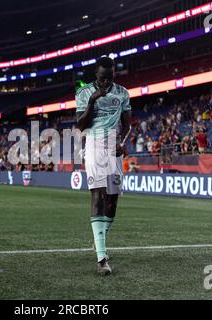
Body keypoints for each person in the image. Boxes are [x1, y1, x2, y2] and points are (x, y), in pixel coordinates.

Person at [76, 56, 132, 276]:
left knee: (112, 200)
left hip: (113, 147)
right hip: (94, 145)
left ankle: (99, 238)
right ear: (96, 75)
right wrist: (92, 101)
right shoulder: (84, 93)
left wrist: (123, 143)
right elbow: (80, 125)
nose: (106, 82)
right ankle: (101, 257)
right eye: (102, 78)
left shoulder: (122, 93)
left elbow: (127, 125)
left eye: (110, 77)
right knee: (98, 196)